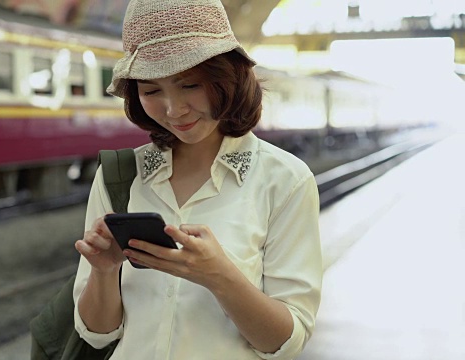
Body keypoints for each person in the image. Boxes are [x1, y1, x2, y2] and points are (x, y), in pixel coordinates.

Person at [73, 0, 322, 358]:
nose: (174, 110)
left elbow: (283, 342)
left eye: (189, 85)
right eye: (151, 90)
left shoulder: (286, 180)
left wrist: (219, 276)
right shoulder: (120, 176)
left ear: (228, 77)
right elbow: (96, 335)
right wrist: (104, 270)